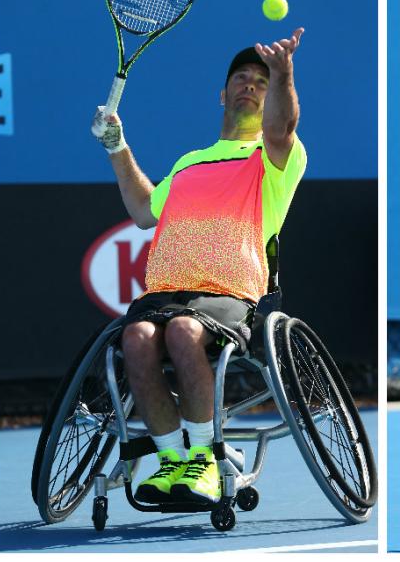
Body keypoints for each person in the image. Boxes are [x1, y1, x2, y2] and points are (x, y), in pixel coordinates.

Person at [90, 28, 307, 504]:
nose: (250, 85)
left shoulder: (272, 155)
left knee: (185, 333)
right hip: (165, 291)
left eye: (261, 81)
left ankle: (207, 460)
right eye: (241, 78)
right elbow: (146, 211)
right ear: (222, 93)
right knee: (137, 338)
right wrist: (116, 146)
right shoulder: (191, 162)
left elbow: (282, 126)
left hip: (230, 293)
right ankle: (174, 459)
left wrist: (284, 73)